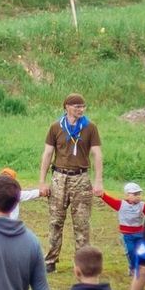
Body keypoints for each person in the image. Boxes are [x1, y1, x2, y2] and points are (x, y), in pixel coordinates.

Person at [37, 94, 104, 272]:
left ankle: (82, 263)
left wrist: (98, 181)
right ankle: (50, 260)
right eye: (76, 107)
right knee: (55, 221)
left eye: (83, 106)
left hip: (80, 178)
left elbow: (97, 154)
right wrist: (42, 181)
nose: (80, 110)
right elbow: (47, 154)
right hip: (59, 177)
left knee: (82, 222)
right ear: (66, 107)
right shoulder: (55, 127)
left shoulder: (90, 128)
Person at [99, 182, 145, 276]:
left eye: (139, 194)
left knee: (140, 251)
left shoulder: (142, 205)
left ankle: (138, 267)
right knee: (130, 251)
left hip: (140, 233)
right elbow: (109, 200)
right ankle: (133, 268)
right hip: (127, 235)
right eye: (135, 194)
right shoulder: (121, 204)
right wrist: (102, 194)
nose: (138, 196)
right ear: (127, 195)